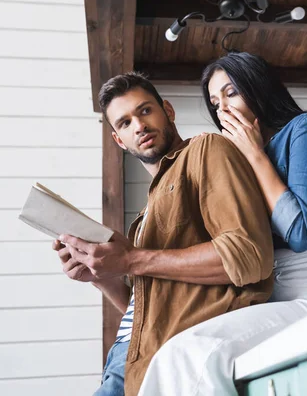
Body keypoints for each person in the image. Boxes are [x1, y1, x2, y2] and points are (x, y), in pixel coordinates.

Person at [131, 52, 307, 395]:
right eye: (214, 102)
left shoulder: (305, 130)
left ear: (257, 87)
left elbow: (300, 232)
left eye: (230, 93)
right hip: (266, 298)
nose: (222, 108)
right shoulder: (234, 157)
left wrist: (255, 155)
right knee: (171, 351)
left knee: (190, 353)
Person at [52, 72, 275, 395]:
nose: (139, 126)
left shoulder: (205, 151)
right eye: (125, 123)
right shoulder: (148, 213)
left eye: (144, 111)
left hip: (168, 359)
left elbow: (249, 256)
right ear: (119, 140)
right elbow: (150, 307)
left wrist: (130, 259)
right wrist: (103, 277)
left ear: (167, 111)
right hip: (130, 361)